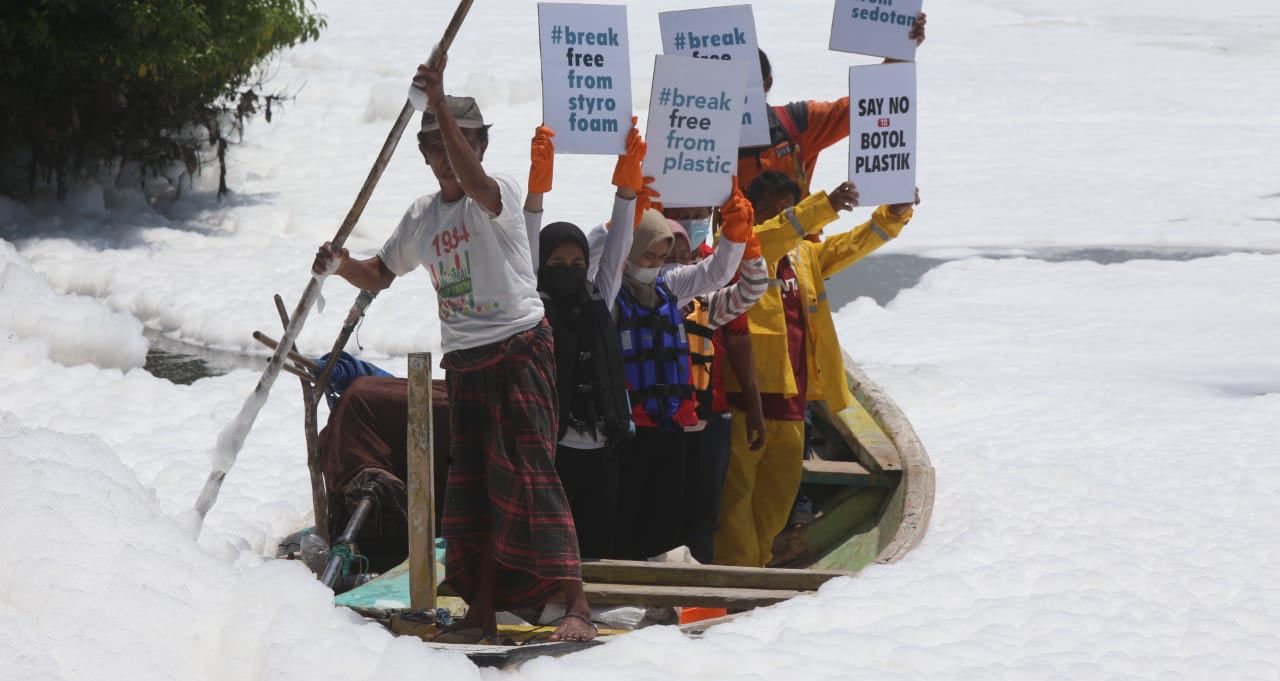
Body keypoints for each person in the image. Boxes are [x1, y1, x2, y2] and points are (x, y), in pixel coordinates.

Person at [311, 55, 594, 643]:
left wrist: (437, 103)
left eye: (456, 144)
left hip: (518, 348)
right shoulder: (421, 218)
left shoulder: (497, 195)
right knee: (472, 494)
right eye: (434, 147)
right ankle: (483, 616)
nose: (443, 157)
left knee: (532, 475)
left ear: (478, 146)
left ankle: (577, 606)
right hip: (466, 361)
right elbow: (380, 273)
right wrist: (339, 266)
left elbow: (474, 183)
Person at [715, 171, 920, 567]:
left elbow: (851, 246)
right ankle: (736, 573)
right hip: (746, 397)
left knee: (778, 495)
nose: (782, 215)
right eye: (772, 208)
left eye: (787, 207)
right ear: (754, 213)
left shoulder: (804, 257)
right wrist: (821, 208)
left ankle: (756, 567)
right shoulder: (742, 251)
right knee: (736, 494)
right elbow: (776, 233)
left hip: (793, 399)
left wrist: (892, 215)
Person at [522, 121, 646, 560]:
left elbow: (618, 248)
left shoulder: (600, 296)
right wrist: (537, 191)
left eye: (578, 261)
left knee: (599, 537)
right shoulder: (533, 304)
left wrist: (627, 186)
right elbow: (525, 248)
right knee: (553, 543)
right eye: (558, 261)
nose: (570, 268)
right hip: (552, 447)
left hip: (605, 441)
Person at [611, 192, 754, 560]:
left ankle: (669, 594)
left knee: (672, 517)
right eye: (650, 256)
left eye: (663, 257)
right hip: (627, 429)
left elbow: (718, 273)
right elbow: (604, 254)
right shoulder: (609, 291)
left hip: (668, 425)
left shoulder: (669, 289)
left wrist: (739, 236)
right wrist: (627, 202)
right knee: (627, 514)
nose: (658, 265)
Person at [665, 218, 770, 564]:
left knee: (703, 514)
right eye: (666, 257)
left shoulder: (705, 304)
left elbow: (751, 289)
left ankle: (698, 592)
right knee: (659, 510)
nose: (677, 264)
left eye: (685, 257)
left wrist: (750, 247)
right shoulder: (630, 298)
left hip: (703, 420)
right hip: (653, 427)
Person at [738, 13, 927, 195]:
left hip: (798, 228)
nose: (739, 95)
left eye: (748, 86)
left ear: (768, 83)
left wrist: (900, 49)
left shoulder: (798, 123)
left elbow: (863, 106)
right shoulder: (710, 141)